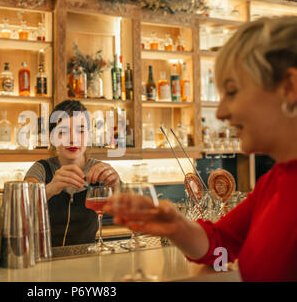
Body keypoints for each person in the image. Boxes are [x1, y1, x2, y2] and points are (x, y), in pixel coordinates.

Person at [103, 16, 297, 282]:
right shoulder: (272, 184)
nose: (221, 112)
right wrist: (177, 227)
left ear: (289, 88)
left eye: (232, 92)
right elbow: (221, 245)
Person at [24, 100, 120, 247]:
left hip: (87, 259)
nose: (73, 139)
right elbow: (22, 206)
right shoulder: (41, 169)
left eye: (80, 131)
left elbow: (134, 211)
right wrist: (50, 189)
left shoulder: (100, 170)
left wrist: (117, 185)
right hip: (46, 259)